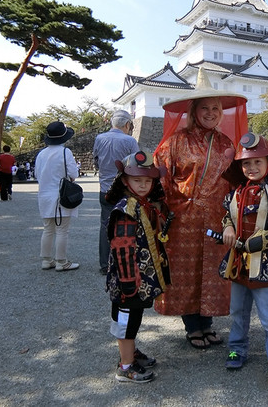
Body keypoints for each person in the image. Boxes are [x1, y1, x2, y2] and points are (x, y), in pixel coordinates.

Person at [153, 69, 248, 349]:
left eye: (215, 108)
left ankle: (207, 323)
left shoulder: (226, 144)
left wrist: (234, 216)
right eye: (204, 107)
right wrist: (169, 208)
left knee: (212, 270)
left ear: (221, 113)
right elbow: (162, 177)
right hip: (183, 219)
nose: (210, 112)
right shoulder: (176, 142)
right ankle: (192, 326)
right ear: (193, 111)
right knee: (188, 271)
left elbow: (235, 183)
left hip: (218, 217)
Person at [219, 132, 268, 401]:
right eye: (246, 163)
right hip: (238, 267)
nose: (251, 168)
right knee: (237, 312)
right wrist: (228, 227)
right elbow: (225, 217)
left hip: (266, 269)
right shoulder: (236, 192)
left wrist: (260, 241)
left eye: (257, 162)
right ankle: (236, 349)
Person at [105, 151, 171, 383]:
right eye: (137, 180)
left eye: (148, 180)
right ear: (125, 181)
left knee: (134, 318)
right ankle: (125, 366)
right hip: (129, 282)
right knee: (126, 324)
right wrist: (128, 282)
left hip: (138, 281)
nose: (143, 185)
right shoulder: (126, 210)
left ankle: (131, 353)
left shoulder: (143, 205)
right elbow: (123, 248)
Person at [93, 110, 140, 275]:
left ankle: (104, 264)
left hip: (105, 188)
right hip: (123, 190)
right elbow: (136, 166)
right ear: (127, 124)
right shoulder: (129, 141)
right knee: (127, 224)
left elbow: (96, 161)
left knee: (105, 224)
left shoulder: (99, 138)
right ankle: (124, 261)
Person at [34, 121, 80, 272]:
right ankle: (62, 261)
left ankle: (46, 260)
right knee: (62, 230)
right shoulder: (64, 152)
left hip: (44, 195)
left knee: (48, 229)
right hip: (60, 195)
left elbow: (37, 175)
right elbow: (73, 173)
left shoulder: (41, 154)